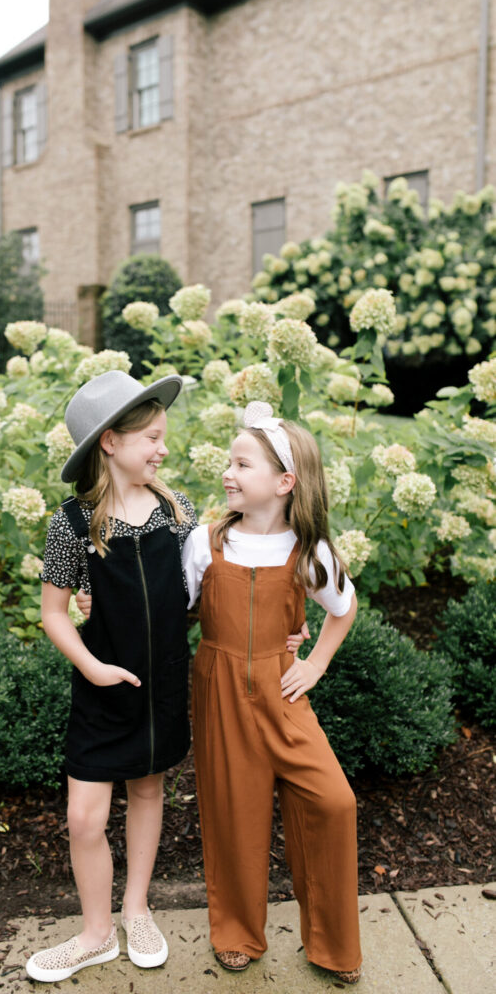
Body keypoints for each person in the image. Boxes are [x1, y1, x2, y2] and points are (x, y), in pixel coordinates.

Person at [25, 370, 197, 984]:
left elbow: (199, 596)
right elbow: (52, 612)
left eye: (162, 436)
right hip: (101, 686)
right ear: (110, 443)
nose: (162, 448)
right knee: (85, 818)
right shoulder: (73, 522)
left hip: (161, 684)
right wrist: (92, 666)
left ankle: (136, 909)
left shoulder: (178, 513)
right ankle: (96, 933)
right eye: (150, 437)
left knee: (148, 791)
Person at [182, 400, 362, 984]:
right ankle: (236, 932)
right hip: (221, 694)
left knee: (333, 803)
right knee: (235, 814)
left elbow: (343, 607)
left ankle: (333, 945)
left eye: (243, 464)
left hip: (285, 695)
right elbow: (176, 610)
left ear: (284, 483)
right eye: (229, 463)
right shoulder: (204, 544)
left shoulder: (310, 552)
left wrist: (314, 664)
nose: (228, 473)